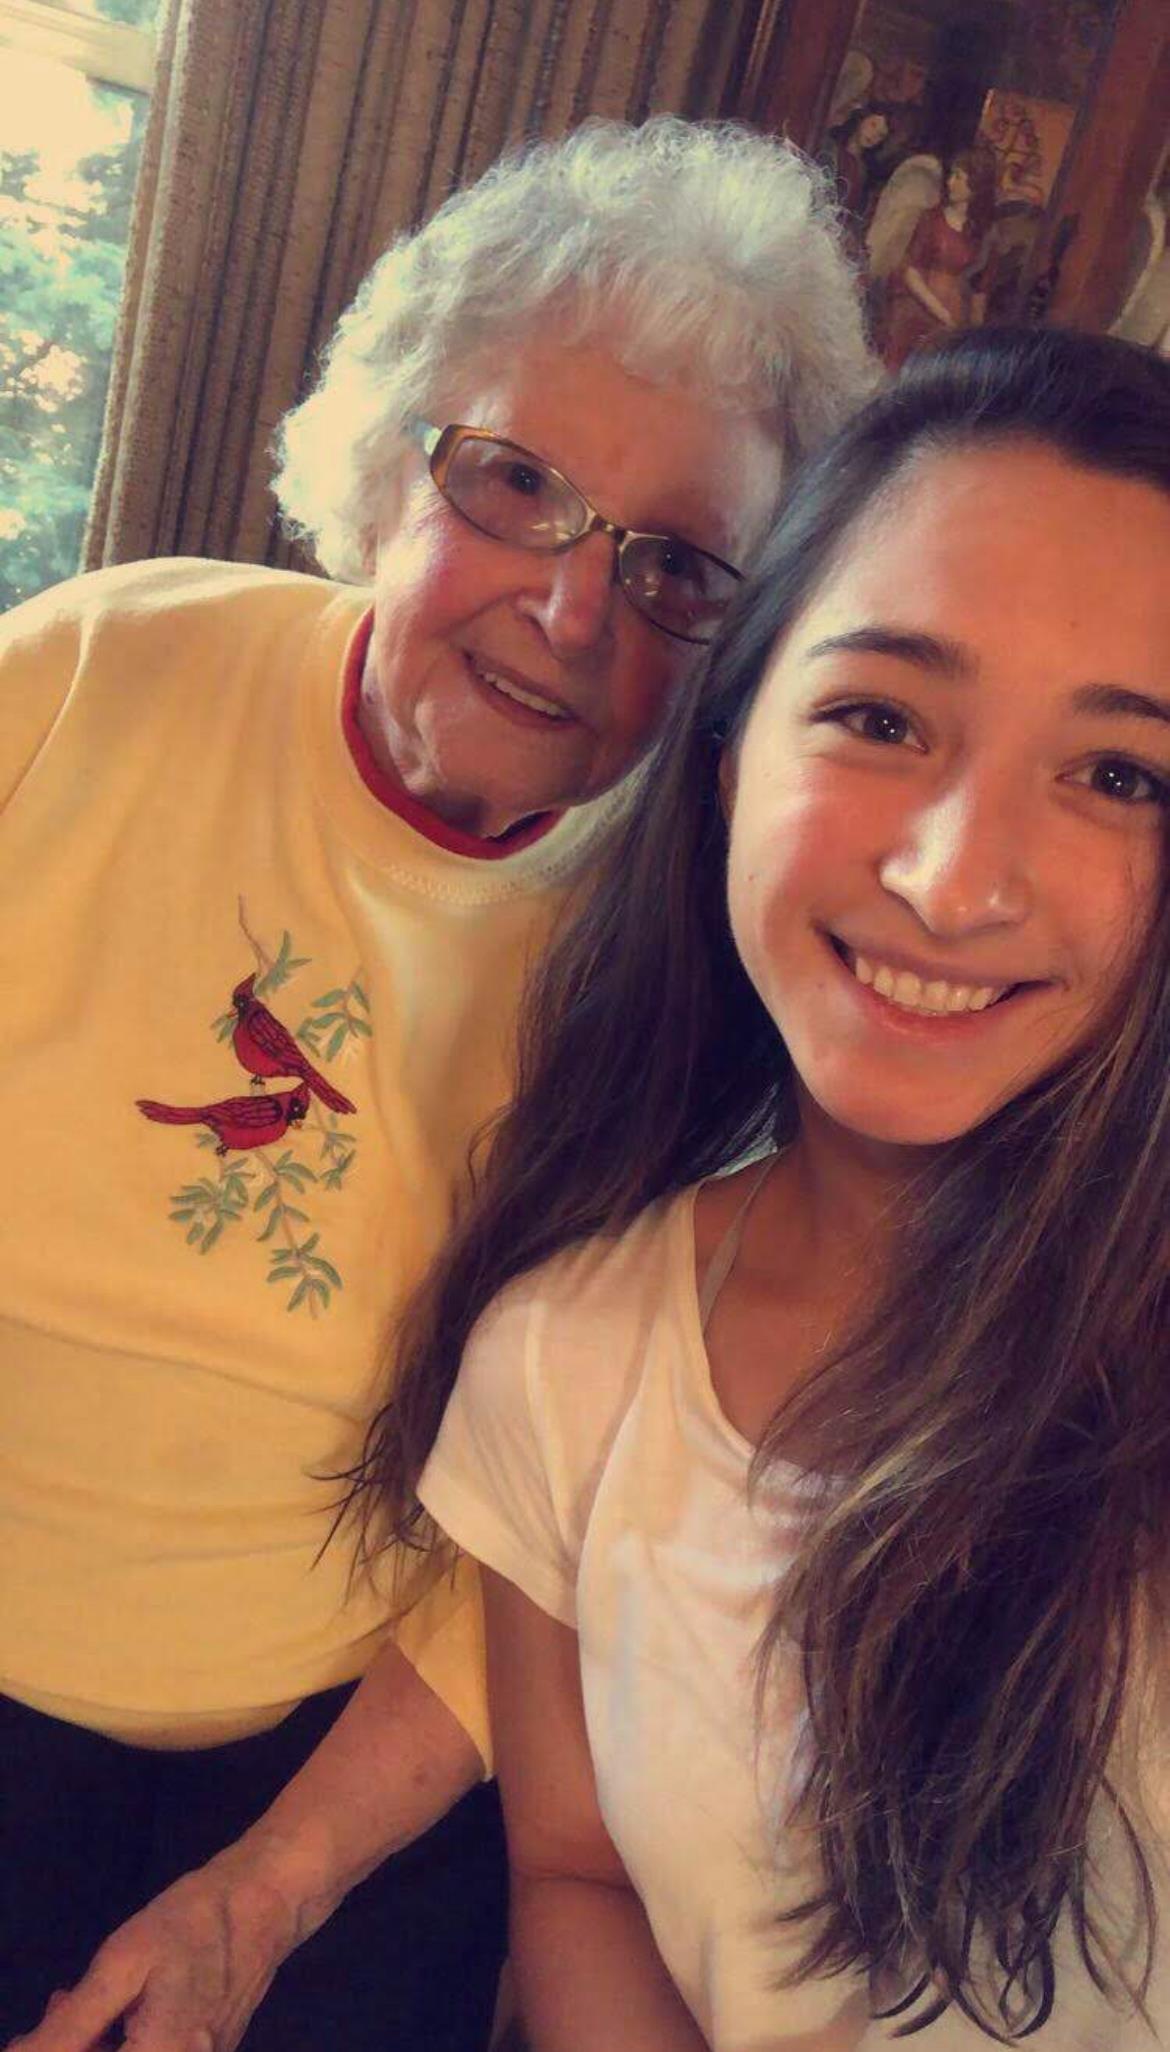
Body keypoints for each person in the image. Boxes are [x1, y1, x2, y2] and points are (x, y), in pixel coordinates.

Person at [0, 118, 874, 2052]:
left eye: (676, 571)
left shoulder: (711, 967)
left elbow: (553, 1524)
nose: (572, 613)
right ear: (390, 453)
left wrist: (266, 1890)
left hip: (344, 1767)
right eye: (516, 486)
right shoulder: (89, 674)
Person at [368, 327, 1170, 2046]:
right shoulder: (565, 1350)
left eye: (1117, 774)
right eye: (879, 717)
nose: (953, 884)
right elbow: (575, 1875)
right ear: (728, 755)